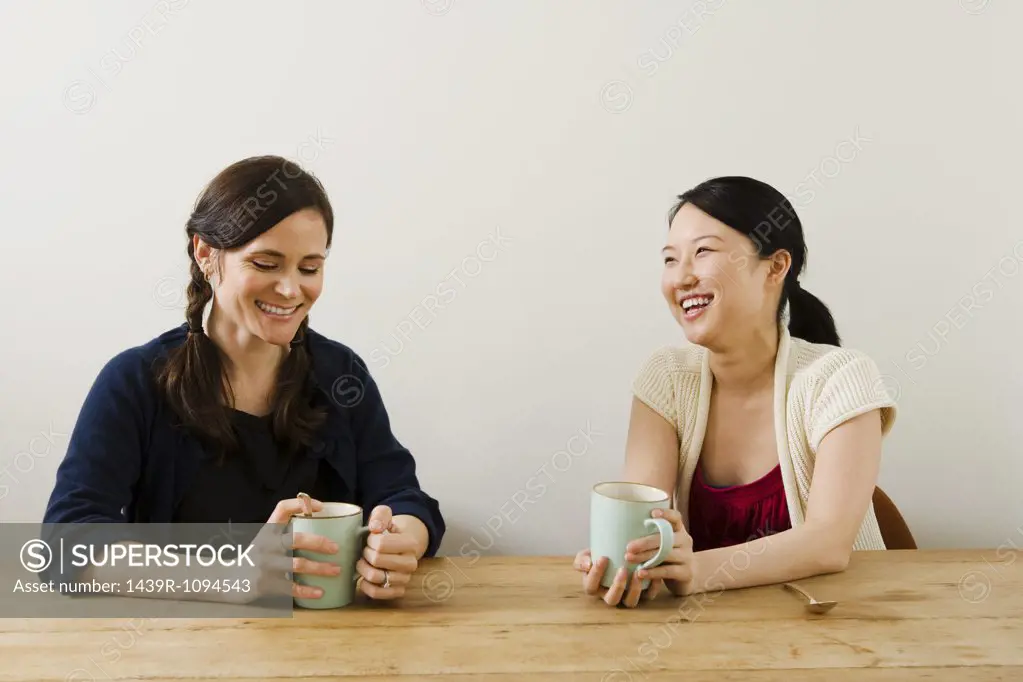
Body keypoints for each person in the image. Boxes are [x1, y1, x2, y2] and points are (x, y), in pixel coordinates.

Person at [43, 155, 445, 603]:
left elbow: (404, 497)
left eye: (309, 268)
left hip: (330, 653)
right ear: (205, 254)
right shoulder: (135, 381)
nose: (292, 290)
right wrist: (229, 579)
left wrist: (401, 542)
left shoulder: (341, 374)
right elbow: (65, 546)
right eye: (266, 263)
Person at [574, 175, 897, 608]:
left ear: (776, 266)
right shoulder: (667, 377)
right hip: (708, 642)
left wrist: (697, 572)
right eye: (670, 260)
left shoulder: (841, 378)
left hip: (841, 630)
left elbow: (828, 543)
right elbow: (643, 521)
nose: (681, 277)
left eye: (702, 252)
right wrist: (633, 563)